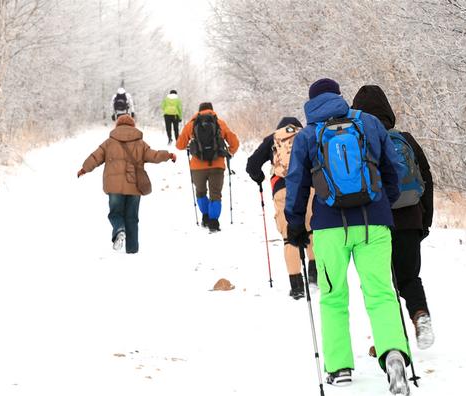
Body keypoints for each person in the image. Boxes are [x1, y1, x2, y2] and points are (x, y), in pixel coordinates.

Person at [285, 78, 411, 395]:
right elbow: (392, 168)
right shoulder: (367, 123)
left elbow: (297, 182)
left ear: (311, 101)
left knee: (333, 296)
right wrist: (385, 202)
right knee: (381, 293)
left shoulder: (307, 135)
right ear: (339, 96)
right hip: (374, 224)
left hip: (329, 228)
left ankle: (339, 366)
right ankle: (393, 352)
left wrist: (296, 225)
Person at [352, 85, 435, 351]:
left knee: (381, 285)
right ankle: (420, 314)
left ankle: (392, 339)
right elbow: (427, 180)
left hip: (376, 222)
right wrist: (425, 221)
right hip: (411, 218)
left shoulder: (358, 141)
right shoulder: (406, 139)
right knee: (409, 277)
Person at [77, 114, 176, 254]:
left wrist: (84, 169)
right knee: (132, 217)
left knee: (115, 213)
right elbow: (154, 155)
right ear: (133, 126)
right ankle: (132, 249)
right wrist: (168, 155)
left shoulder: (109, 142)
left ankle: (119, 229)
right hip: (134, 186)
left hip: (114, 186)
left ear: (117, 125)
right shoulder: (140, 143)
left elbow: (95, 157)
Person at [246, 117, 317, 300]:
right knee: (311, 230)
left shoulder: (272, 139)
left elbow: (252, 164)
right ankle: (315, 276)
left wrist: (259, 177)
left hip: (282, 189)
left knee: (289, 237)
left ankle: (297, 287)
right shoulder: (307, 134)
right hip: (308, 187)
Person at [176, 102, 239, 233]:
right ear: (212, 110)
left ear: (199, 111)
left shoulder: (191, 124)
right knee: (215, 194)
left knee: (200, 192)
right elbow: (235, 142)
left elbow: (179, 145)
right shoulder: (220, 123)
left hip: (197, 166)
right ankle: (214, 222)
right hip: (217, 165)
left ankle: (205, 217)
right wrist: (230, 153)